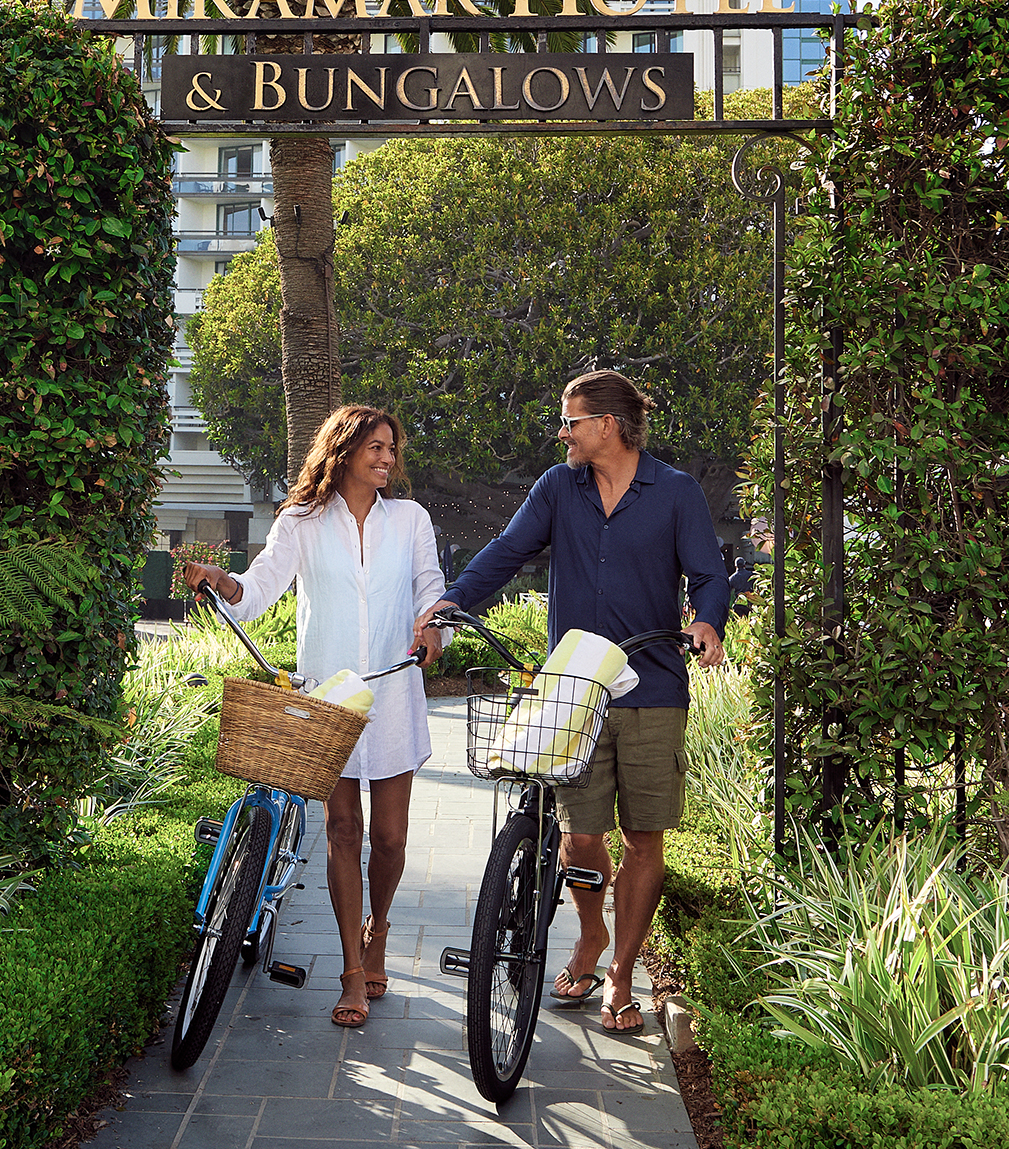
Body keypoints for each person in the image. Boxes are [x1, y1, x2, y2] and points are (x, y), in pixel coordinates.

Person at [418, 370, 726, 1037]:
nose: (563, 433)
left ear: (609, 425)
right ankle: (591, 934)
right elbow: (508, 550)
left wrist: (707, 620)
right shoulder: (559, 487)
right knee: (580, 836)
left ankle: (621, 973)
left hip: (652, 688)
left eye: (572, 421)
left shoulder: (675, 492)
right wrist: (453, 600)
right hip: (574, 691)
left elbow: (708, 574)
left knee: (643, 837)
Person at [184, 404, 448, 1032]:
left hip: (394, 692)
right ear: (343, 451)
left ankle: (379, 928)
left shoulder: (410, 519)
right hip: (328, 697)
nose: (387, 459)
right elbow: (259, 588)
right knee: (342, 831)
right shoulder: (300, 521)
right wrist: (223, 581)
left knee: (390, 838)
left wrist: (433, 626)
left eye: (391, 449)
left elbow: (429, 586)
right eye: (375, 448)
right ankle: (352, 969)